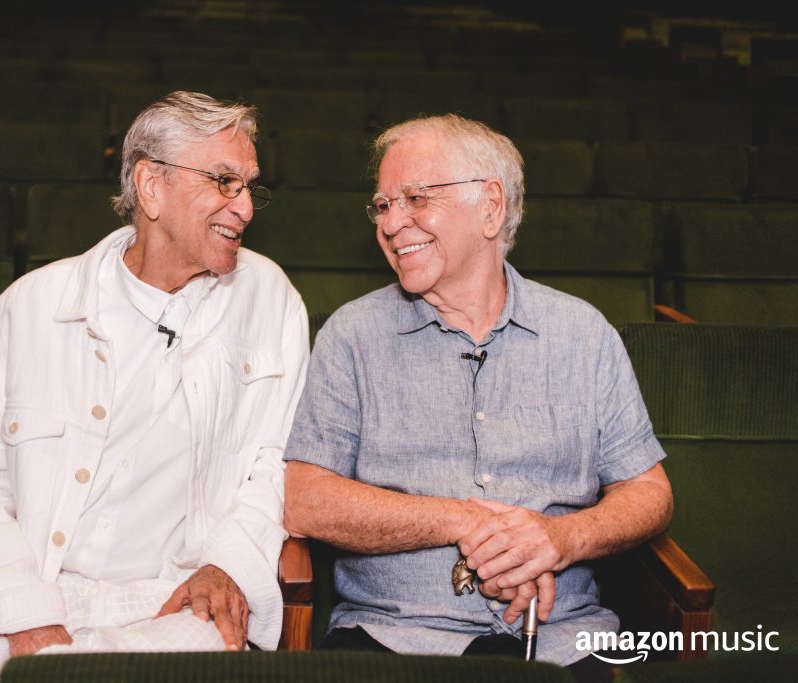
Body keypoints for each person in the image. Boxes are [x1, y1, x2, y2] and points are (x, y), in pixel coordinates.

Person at [0, 91, 309, 682]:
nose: (246, 208)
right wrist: (30, 620)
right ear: (151, 186)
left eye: (250, 186)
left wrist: (227, 565)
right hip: (24, 587)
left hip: (171, 598)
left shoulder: (269, 300)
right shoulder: (29, 309)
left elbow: (271, 467)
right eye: (226, 182)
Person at [282, 114, 672, 682]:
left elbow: (649, 490)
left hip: (565, 639)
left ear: (491, 207)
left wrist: (560, 538)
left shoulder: (582, 334)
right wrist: (461, 521)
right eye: (383, 205)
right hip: (392, 637)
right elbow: (305, 500)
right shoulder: (352, 335)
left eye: (415, 198)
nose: (392, 224)